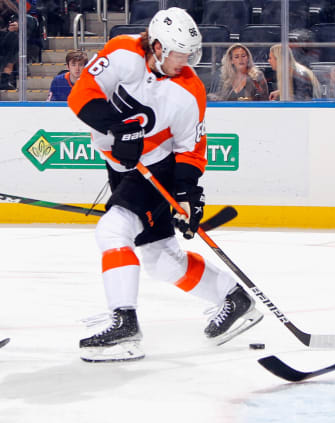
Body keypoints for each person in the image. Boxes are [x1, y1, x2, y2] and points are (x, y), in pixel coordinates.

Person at [66, 7, 263, 362]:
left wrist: (188, 195)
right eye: (179, 53)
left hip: (153, 172)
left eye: (190, 53)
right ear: (157, 46)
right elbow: (82, 93)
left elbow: (191, 151)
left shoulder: (190, 90)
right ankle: (234, 299)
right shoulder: (122, 52)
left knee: (112, 232)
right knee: (160, 259)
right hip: (121, 167)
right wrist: (119, 127)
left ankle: (124, 326)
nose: (186, 61)